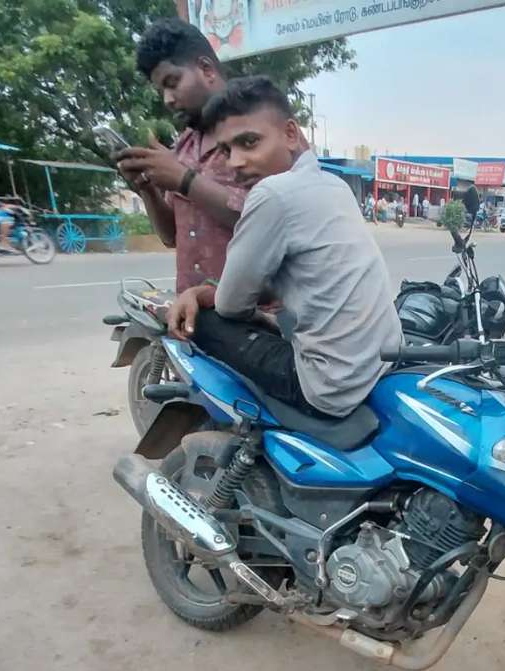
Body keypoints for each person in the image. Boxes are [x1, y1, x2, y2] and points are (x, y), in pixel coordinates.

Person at [166, 76, 403, 418]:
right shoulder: (335, 185)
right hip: (382, 363)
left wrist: (203, 294)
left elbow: (231, 305)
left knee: (203, 321)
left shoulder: (271, 194)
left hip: (331, 388)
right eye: (227, 151)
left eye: (249, 142)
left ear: (291, 134)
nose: (235, 162)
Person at [115, 18, 246, 294]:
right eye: (161, 90)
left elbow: (270, 220)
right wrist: (147, 188)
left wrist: (184, 180)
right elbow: (171, 237)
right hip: (192, 311)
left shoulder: (259, 131)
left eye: (172, 83)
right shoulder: (185, 145)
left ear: (206, 69)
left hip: (255, 313)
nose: (167, 99)